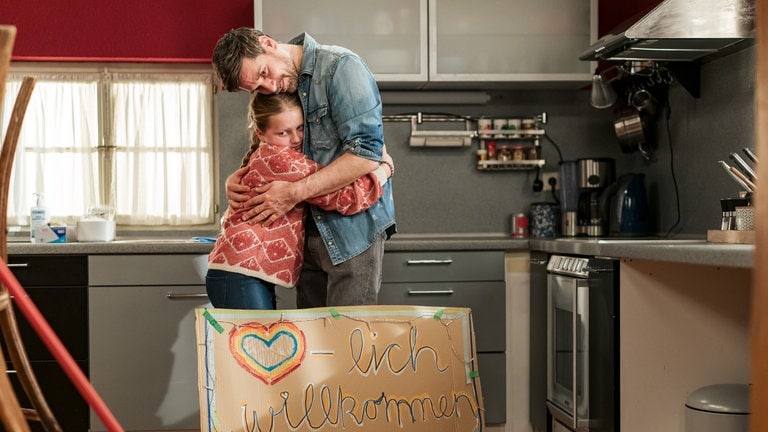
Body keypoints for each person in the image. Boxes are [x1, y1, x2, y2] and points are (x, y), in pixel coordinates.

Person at [212, 27, 396, 308]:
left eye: (264, 74)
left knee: (348, 340)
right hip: (307, 233)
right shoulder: (288, 83)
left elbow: (366, 155)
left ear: (268, 43)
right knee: (314, 346)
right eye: (259, 88)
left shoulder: (340, 68)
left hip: (352, 231)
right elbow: (274, 145)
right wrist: (240, 178)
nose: (270, 88)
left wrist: (293, 192)